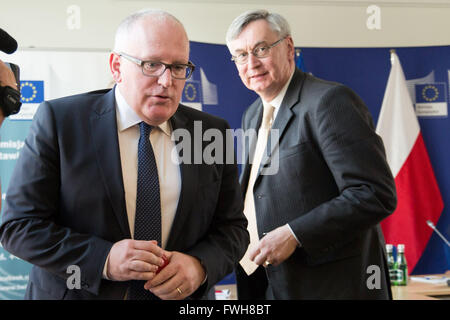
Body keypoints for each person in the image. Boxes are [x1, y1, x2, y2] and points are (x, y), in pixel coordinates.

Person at [0, 9, 249, 300]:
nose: (167, 81)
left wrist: (199, 266)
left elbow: (233, 229)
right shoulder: (61, 122)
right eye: (152, 64)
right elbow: (18, 227)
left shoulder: (209, 133)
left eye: (178, 67)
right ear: (117, 67)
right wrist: (103, 259)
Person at [226, 9, 397, 299]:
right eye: (241, 55)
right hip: (268, 284)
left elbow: (373, 193)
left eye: (261, 49)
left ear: (289, 47)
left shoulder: (329, 101)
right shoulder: (252, 115)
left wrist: (294, 233)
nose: (251, 63)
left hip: (331, 287)